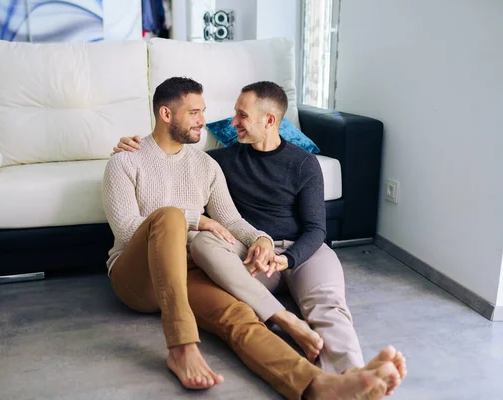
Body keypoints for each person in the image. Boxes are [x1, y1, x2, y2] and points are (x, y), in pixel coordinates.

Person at [104, 76, 404, 399]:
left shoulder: (207, 164)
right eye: (194, 113)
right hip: (137, 275)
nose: (204, 122)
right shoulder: (125, 161)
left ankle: (321, 385)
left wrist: (260, 238)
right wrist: (198, 221)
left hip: (188, 270)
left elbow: (231, 219)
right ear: (166, 115)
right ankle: (181, 347)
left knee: (241, 317)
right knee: (172, 216)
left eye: (203, 111)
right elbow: (126, 229)